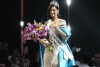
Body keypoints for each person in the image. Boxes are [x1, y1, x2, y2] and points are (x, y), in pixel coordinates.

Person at [39, 0, 76, 67]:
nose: (52, 12)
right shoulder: (46, 23)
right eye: (50, 10)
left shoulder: (62, 22)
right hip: (48, 49)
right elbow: (44, 37)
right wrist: (40, 40)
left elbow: (66, 37)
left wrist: (57, 28)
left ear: (58, 11)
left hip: (58, 49)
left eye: (54, 10)